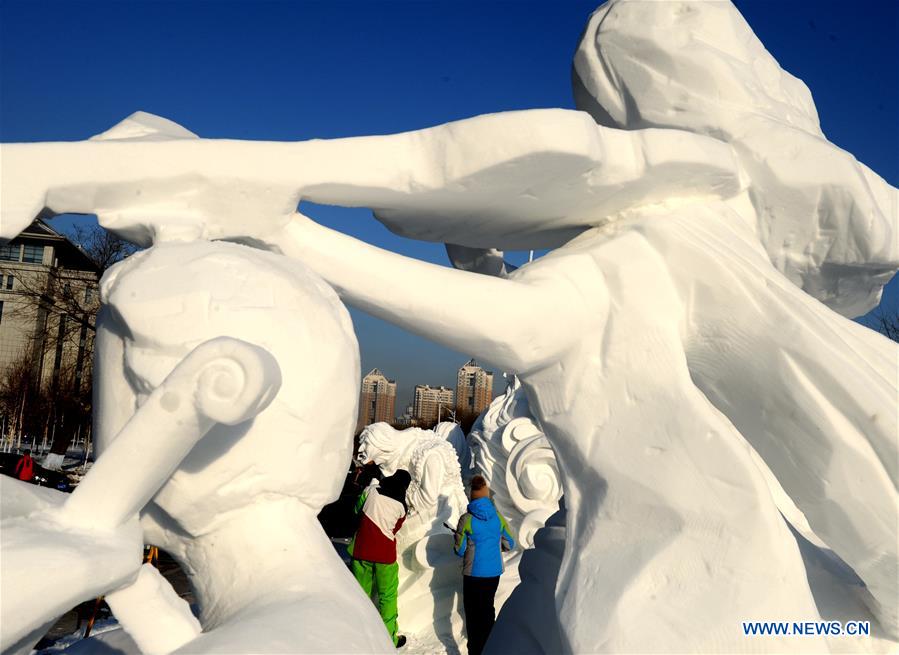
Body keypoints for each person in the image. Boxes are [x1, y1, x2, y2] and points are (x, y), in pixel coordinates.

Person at [349, 469, 412, 649]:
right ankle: (388, 640)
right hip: (385, 556)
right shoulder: (401, 507)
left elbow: (356, 510)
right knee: (387, 597)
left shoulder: (371, 490)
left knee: (360, 594)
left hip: (361, 550)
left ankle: (358, 633)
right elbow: (394, 529)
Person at [454, 475, 515, 655]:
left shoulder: (467, 519)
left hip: (473, 574)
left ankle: (476, 651)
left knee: (473, 616)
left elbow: (459, 549)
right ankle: (491, 648)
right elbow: (510, 543)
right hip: (494, 573)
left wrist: (458, 538)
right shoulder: (497, 517)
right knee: (487, 610)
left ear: (471, 496)